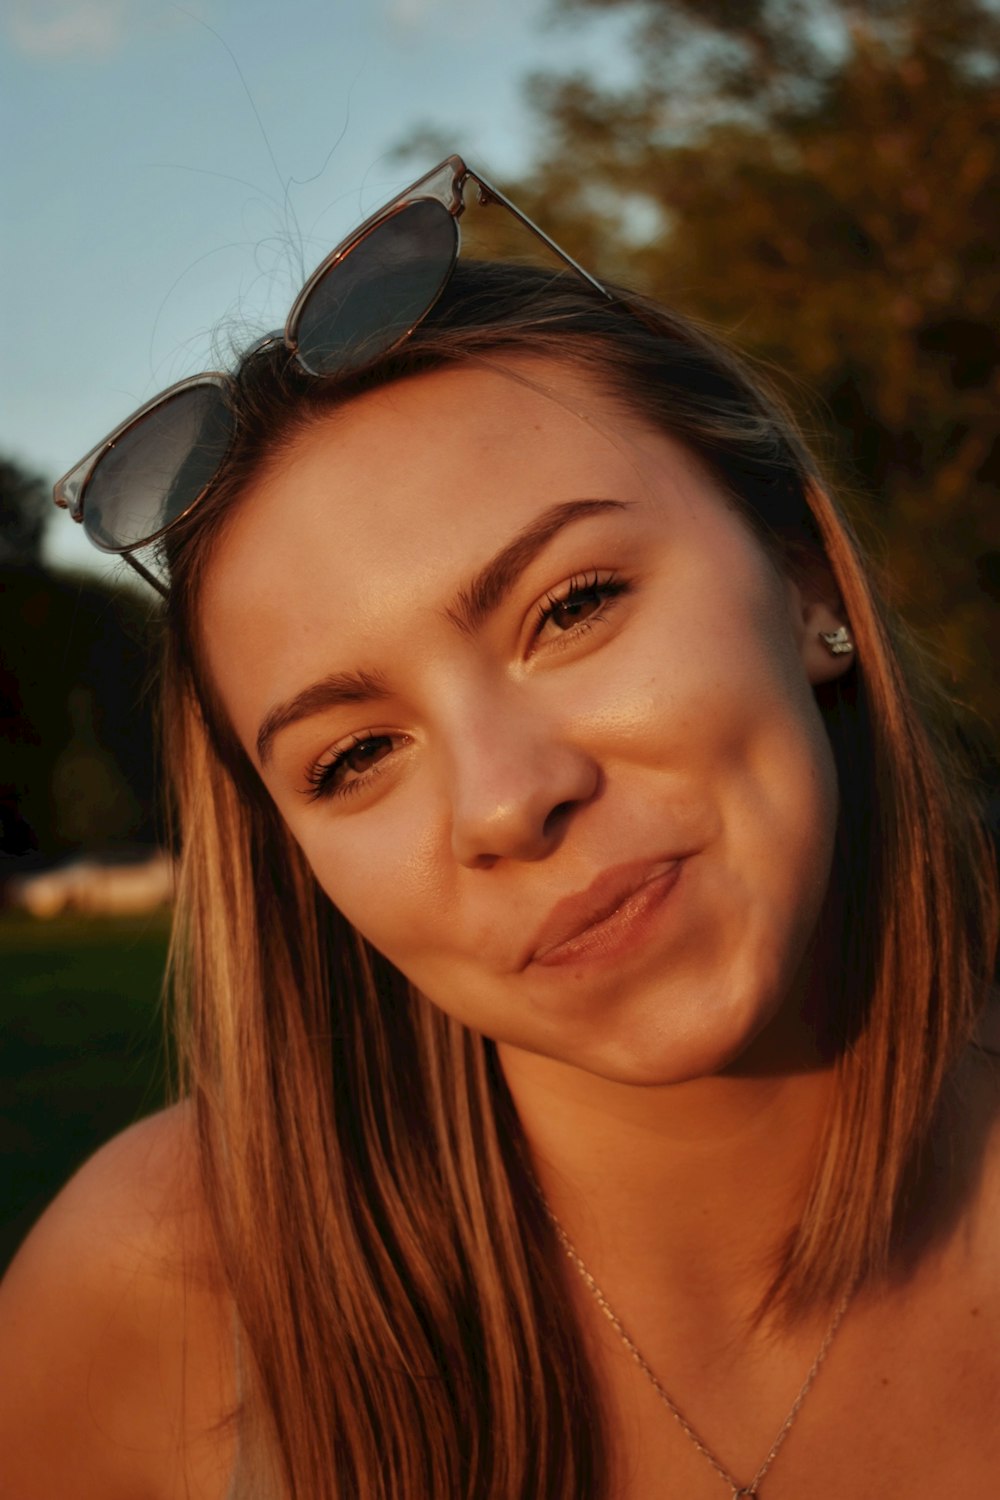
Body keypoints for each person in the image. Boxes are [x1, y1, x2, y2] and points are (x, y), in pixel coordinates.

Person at [1, 154, 998, 1500]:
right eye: (355, 756)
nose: (509, 800)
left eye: (571, 607)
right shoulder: (157, 1292)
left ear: (807, 580)